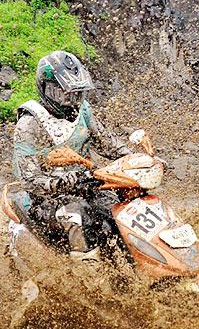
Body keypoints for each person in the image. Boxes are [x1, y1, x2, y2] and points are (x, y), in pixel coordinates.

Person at [12, 51, 132, 261]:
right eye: (65, 94)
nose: (72, 100)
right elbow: (30, 181)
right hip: (44, 201)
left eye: (77, 94)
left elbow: (109, 144)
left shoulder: (84, 111)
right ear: (47, 89)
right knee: (80, 214)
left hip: (87, 188)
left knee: (122, 212)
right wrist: (71, 179)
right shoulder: (29, 124)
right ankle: (88, 281)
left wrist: (137, 160)